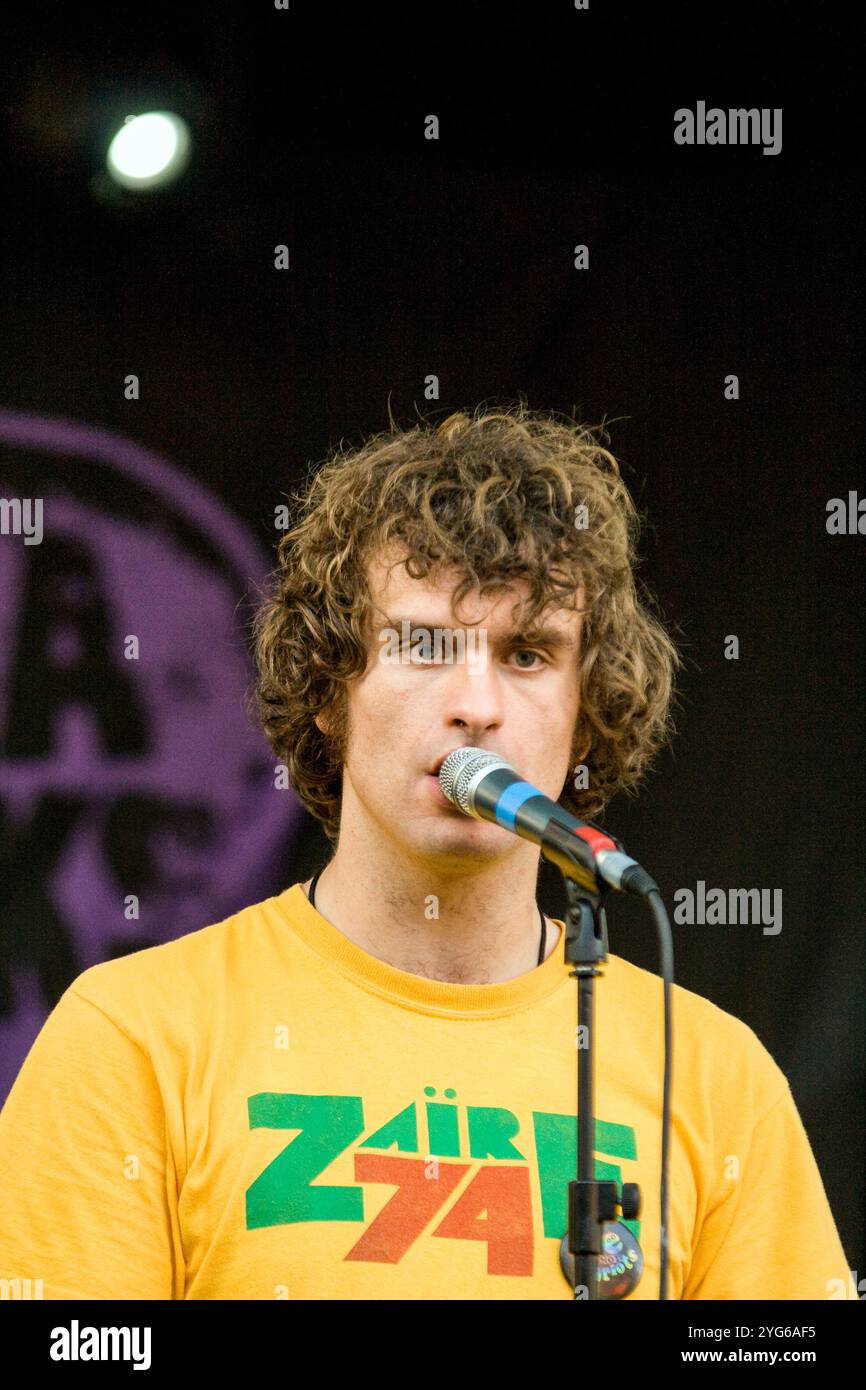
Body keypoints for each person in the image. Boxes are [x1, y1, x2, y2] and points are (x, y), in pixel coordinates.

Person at [0, 405, 854, 1300]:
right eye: (422, 645)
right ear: (330, 692)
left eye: (527, 654)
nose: (476, 704)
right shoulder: (133, 1037)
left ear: (586, 710)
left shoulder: (718, 1078)